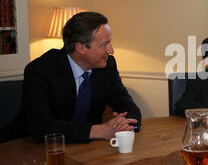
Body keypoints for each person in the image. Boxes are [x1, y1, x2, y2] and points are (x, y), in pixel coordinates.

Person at [5, 12, 141, 143]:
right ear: (81, 47)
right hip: (23, 148)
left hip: (82, 148)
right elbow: (41, 126)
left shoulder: (107, 66)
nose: (111, 50)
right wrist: (100, 131)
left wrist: (123, 124)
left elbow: (128, 107)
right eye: (104, 44)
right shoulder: (40, 71)